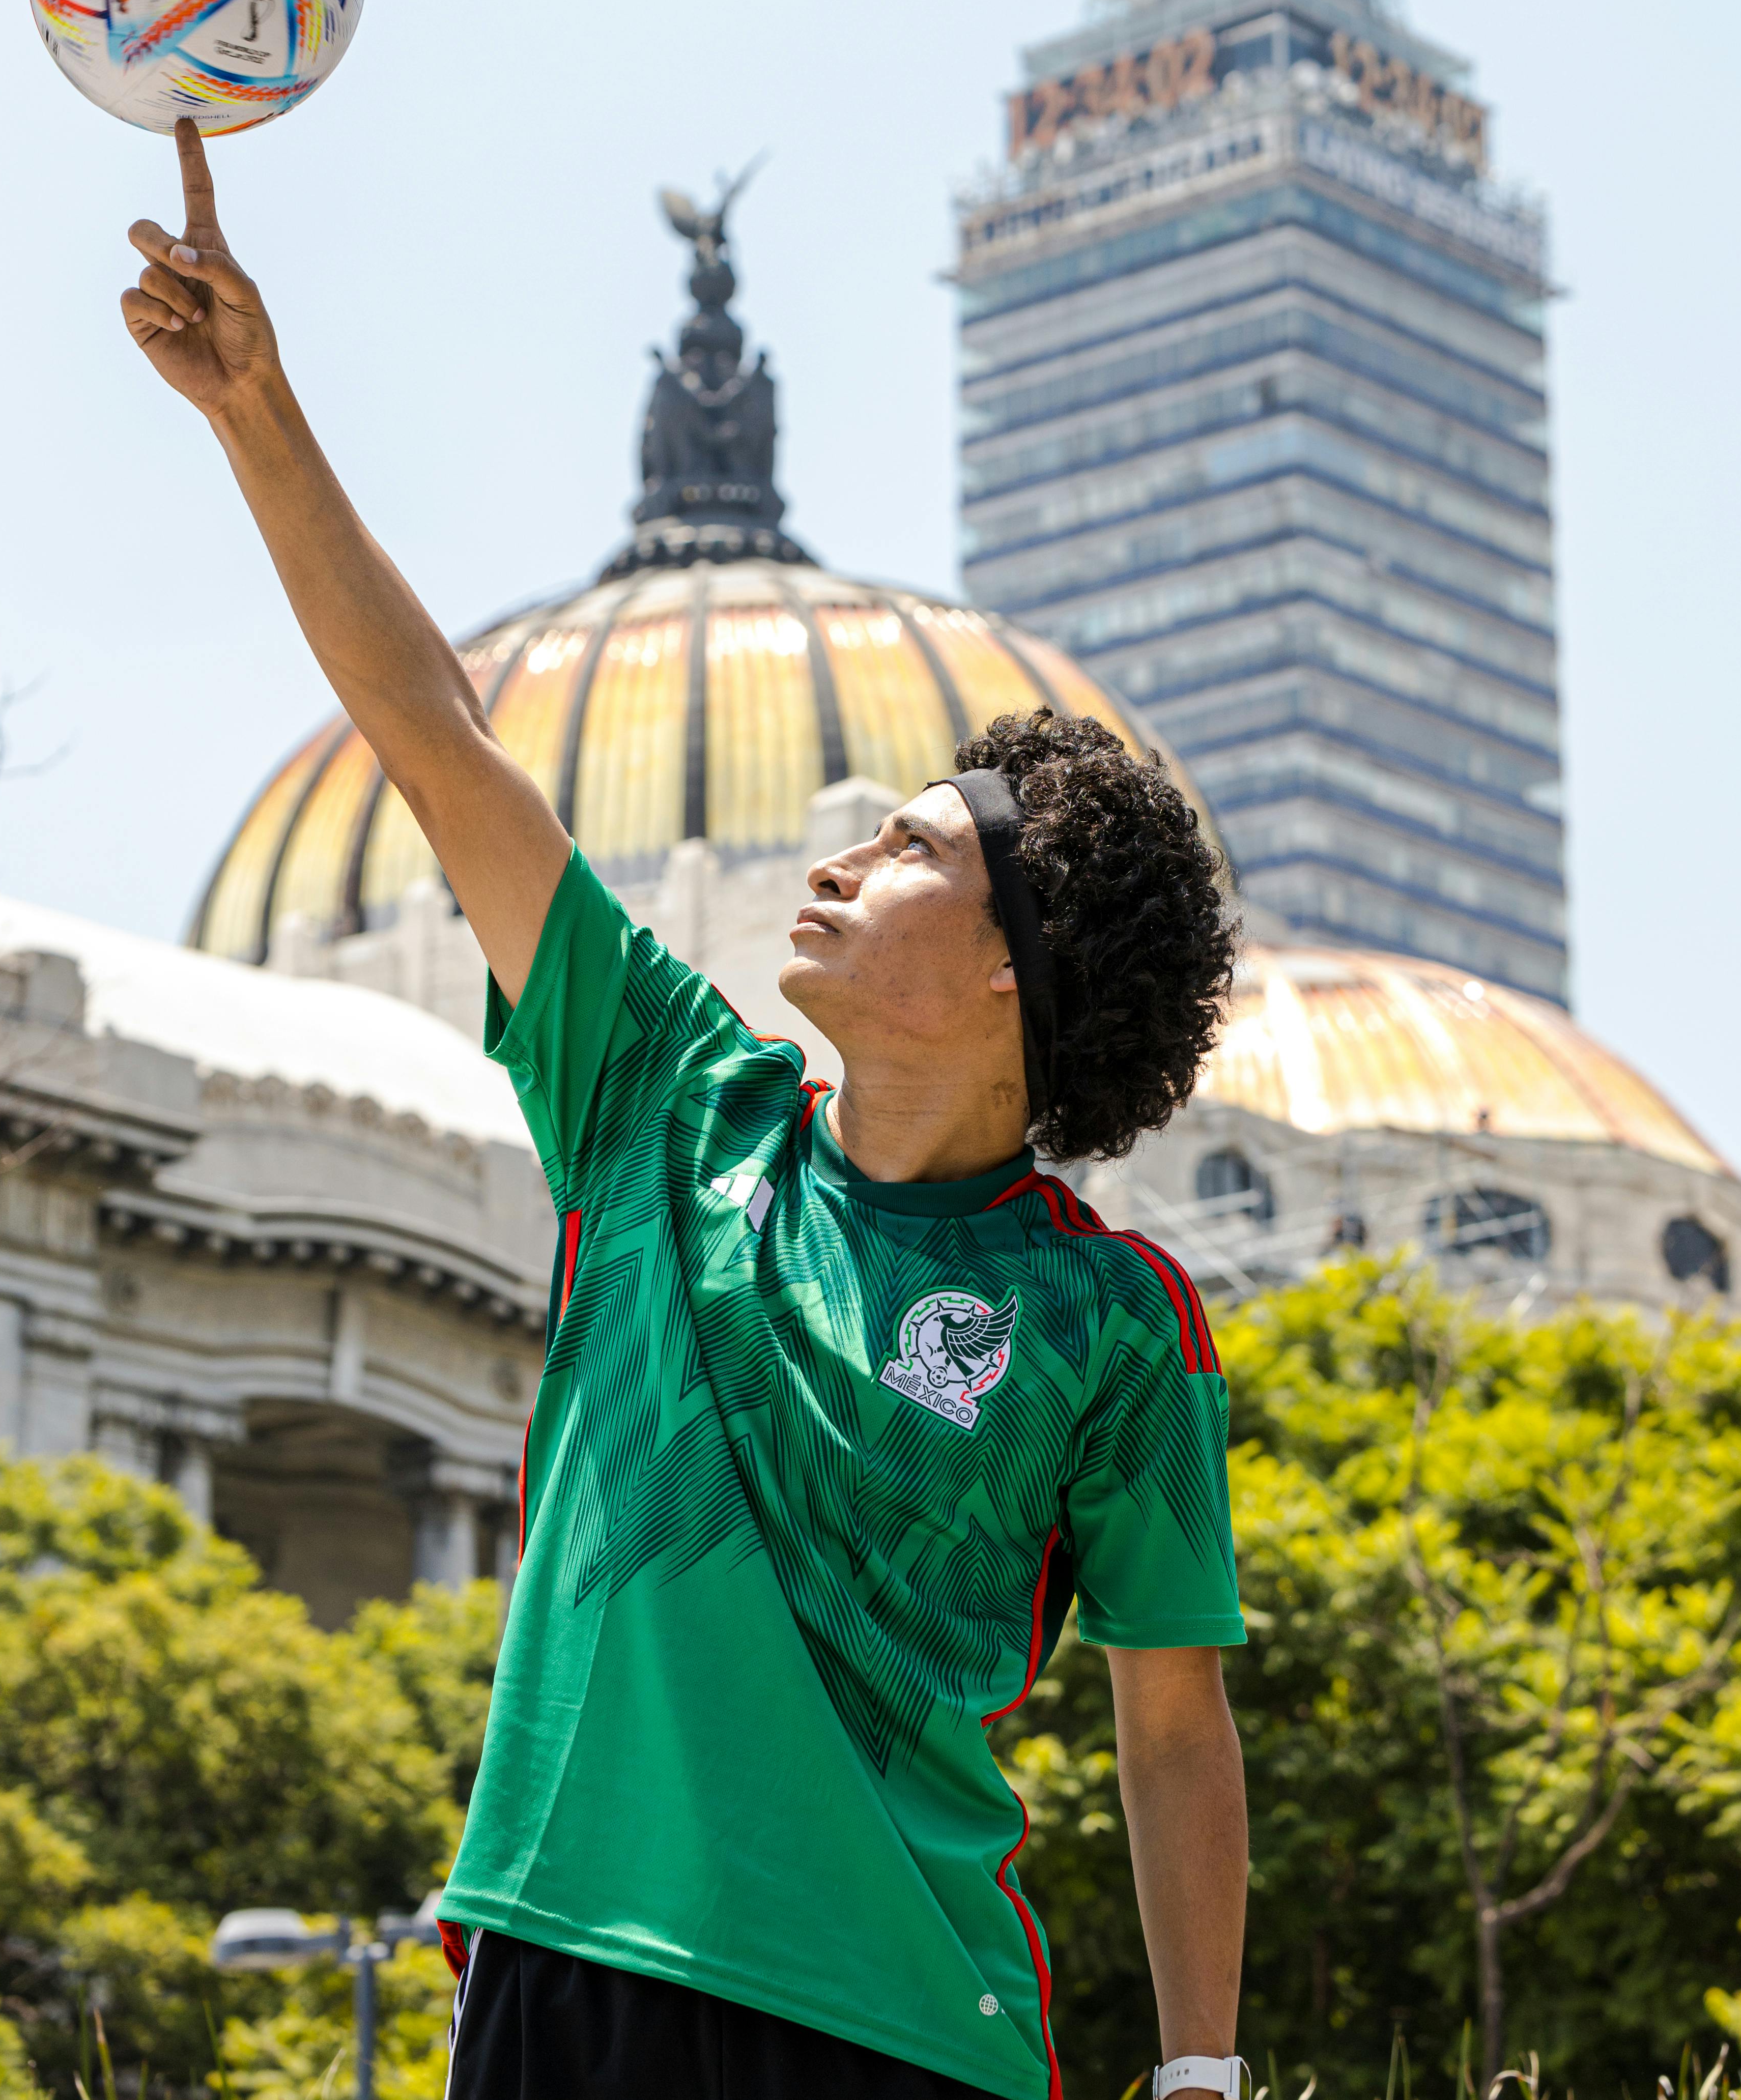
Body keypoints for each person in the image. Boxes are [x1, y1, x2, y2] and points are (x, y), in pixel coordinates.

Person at [123, 124, 1251, 2100]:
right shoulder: (660, 1095)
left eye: (900, 846)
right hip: (559, 1961)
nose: (836, 855)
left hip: (906, 2023)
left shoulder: (1110, 1323)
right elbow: (433, 732)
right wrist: (258, 413)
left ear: (1009, 970)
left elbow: (1169, 1726)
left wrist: (1201, 2070)